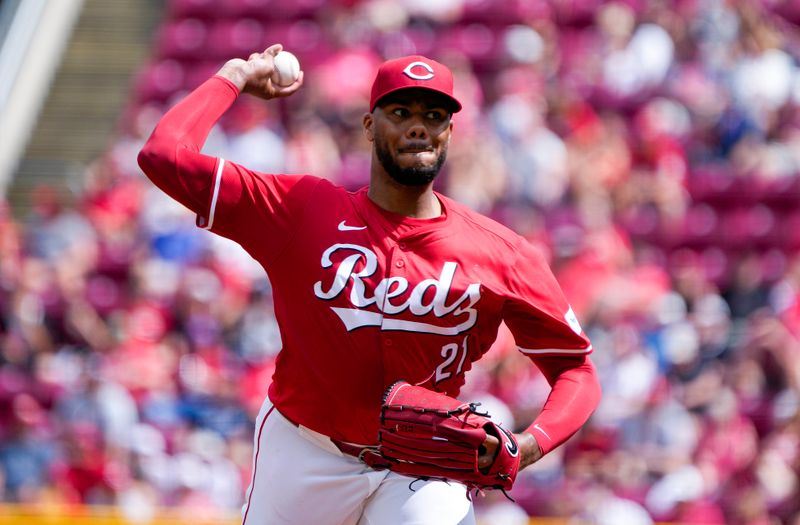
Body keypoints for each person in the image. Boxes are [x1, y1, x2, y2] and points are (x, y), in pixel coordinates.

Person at [138, 44, 602, 525]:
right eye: (400, 112)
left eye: (434, 115)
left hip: (423, 465)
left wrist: (529, 445)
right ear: (368, 126)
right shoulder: (302, 210)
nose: (418, 125)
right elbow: (163, 154)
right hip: (304, 450)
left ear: (449, 133)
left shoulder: (501, 253)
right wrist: (232, 76)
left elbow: (577, 371)